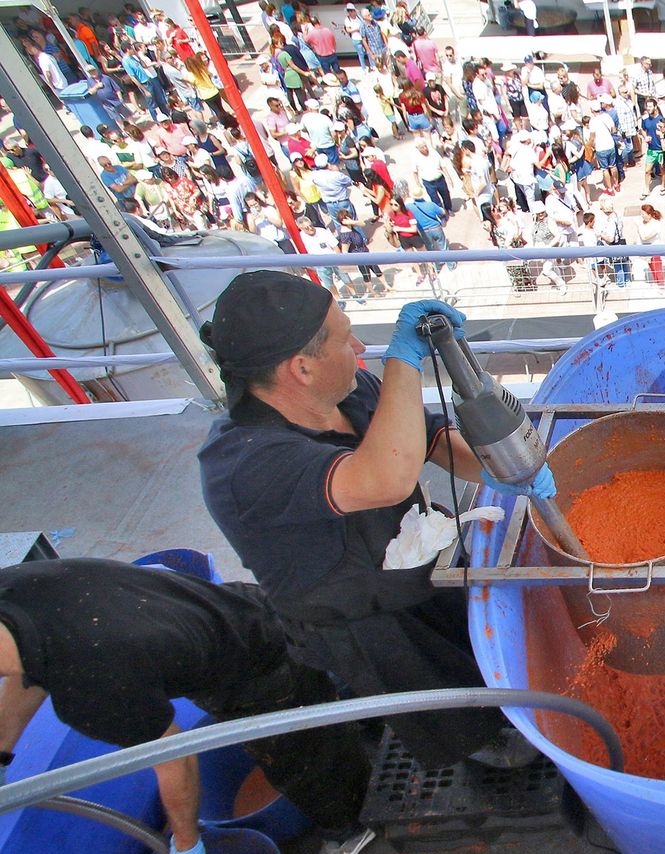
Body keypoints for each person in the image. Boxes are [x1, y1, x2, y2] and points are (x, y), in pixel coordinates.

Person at [197, 274, 552, 778]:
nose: (360, 348)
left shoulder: (348, 390)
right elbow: (385, 477)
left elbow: (427, 439)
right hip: (356, 614)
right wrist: (404, 361)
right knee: (436, 701)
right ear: (301, 367)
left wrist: (510, 469)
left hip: (413, 558)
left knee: (469, 648)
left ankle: (498, 708)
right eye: (346, 340)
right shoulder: (243, 464)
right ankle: (484, 748)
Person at [0, 557, 373, 854]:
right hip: (236, 606)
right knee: (316, 701)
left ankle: (350, 828)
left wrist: (186, 843)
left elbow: (175, 758)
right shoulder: (14, 590)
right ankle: (339, 712)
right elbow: (31, 666)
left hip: (255, 672)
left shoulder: (88, 684)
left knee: (301, 761)